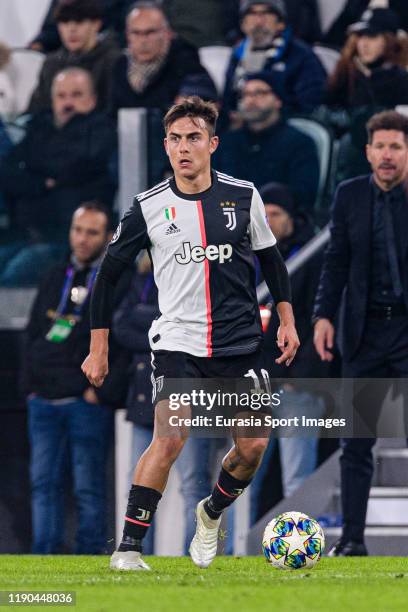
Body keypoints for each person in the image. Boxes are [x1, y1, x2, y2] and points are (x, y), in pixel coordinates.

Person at [81, 95, 299, 570]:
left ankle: (212, 512)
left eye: (194, 138)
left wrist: (286, 319)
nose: (184, 147)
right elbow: (108, 277)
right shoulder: (148, 207)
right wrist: (98, 348)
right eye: (176, 139)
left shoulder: (243, 196)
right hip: (178, 341)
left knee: (253, 445)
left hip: (240, 343)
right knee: (171, 436)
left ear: (213, 144)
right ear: (165, 146)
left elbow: (272, 261)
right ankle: (128, 549)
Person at [313, 110, 408, 556]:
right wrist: (323, 315)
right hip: (365, 332)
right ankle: (352, 540)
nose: (387, 155)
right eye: (381, 147)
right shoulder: (349, 196)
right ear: (368, 152)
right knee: (356, 443)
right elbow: (334, 261)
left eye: (397, 146)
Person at [24, 202, 131, 554]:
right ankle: (44, 557)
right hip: (43, 400)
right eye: (77, 230)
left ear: (109, 236)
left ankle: (88, 560)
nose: (82, 240)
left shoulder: (117, 280)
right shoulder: (55, 275)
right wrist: (29, 387)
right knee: (43, 484)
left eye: (92, 232)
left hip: (85, 401)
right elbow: (33, 333)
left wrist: (101, 394)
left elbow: (124, 341)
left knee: (88, 487)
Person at [112, 253, 216, 554]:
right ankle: (134, 549)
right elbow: (121, 326)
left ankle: (193, 556)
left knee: (193, 485)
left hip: (190, 395)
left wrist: (151, 323)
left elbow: (197, 329)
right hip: (146, 396)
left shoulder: (198, 279)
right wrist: (166, 333)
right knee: (141, 483)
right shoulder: (141, 279)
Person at [250, 182, 325, 523]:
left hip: (296, 386)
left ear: (292, 217)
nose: (267, 221)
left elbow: (320, 317)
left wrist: (301, 377)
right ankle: (235, 552)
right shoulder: (251, 257)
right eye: (262, 215)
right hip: (256, 387)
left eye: (275, 214)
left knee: (297, 478)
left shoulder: (314, 257)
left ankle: (300, 547)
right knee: (243, 475)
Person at [0, 67, 116, 286]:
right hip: (24, 234)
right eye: (61, 96)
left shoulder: (100, 130)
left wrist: (33, 174)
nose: (68, 102)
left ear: (92, 100)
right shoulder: (39, 128)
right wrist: (44, 182)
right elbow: (6, 172)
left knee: (11, 278)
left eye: (76, 95)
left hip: (64, 239)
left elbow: (74, 167)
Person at [216, 73, 319, 212]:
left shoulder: (300, 143)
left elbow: (303, 195)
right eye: (245, 95)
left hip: (276, 220)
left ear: (278, 100)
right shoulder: (227, 142)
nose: (250, 100)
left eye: (259, 93)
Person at [109, 1, 217, 116]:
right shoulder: (120, 66)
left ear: (167, 33)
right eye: (136, 33)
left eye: (150, 32)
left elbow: (204, 100)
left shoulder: (185, 62)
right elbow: (110, 115)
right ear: (127, 35)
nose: (143, 41)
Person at [223, 0, 326, 117]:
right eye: (251, 13)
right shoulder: (236, 56)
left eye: (267, 13)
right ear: (243, 24)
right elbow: (228, 102)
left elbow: (310, 103)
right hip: (243, 127)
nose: (259, 21)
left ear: (281, 23)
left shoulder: (300, 54)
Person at [28, 0, 120, 114]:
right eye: (65, 22)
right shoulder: (51, 63)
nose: (71, 30)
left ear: (96, 24)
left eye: (79, 22)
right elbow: (36, 110)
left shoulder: (114, 62)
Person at [326, 8, 408, 108]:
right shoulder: (346, 72)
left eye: (372, 36)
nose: (364, 44)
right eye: (360, 36)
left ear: (389, 41)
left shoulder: (401, 80)